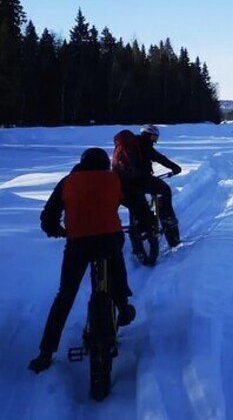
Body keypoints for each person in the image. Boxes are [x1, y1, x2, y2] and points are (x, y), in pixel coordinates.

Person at [29, 148, 136, 374]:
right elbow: (134, 202)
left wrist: (59, 230)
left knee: (65, 294)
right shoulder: (114, 178)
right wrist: (142, 221)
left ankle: (46, 353)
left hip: (78, 243)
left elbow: (48, 217)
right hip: (109, 239)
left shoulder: (67, 181)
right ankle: (123, 306)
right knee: (116, 266)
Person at [113, 124, 182, 249]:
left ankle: (138, 235)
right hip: (141, 179)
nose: (155, 140)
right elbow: (159, 158)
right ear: (148, 135)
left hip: (123, 182)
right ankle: (167, 219)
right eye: (154, 137)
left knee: (136, 204)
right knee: (164, 190)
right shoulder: (143, 144)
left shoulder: (129, 146)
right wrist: (175, 167)